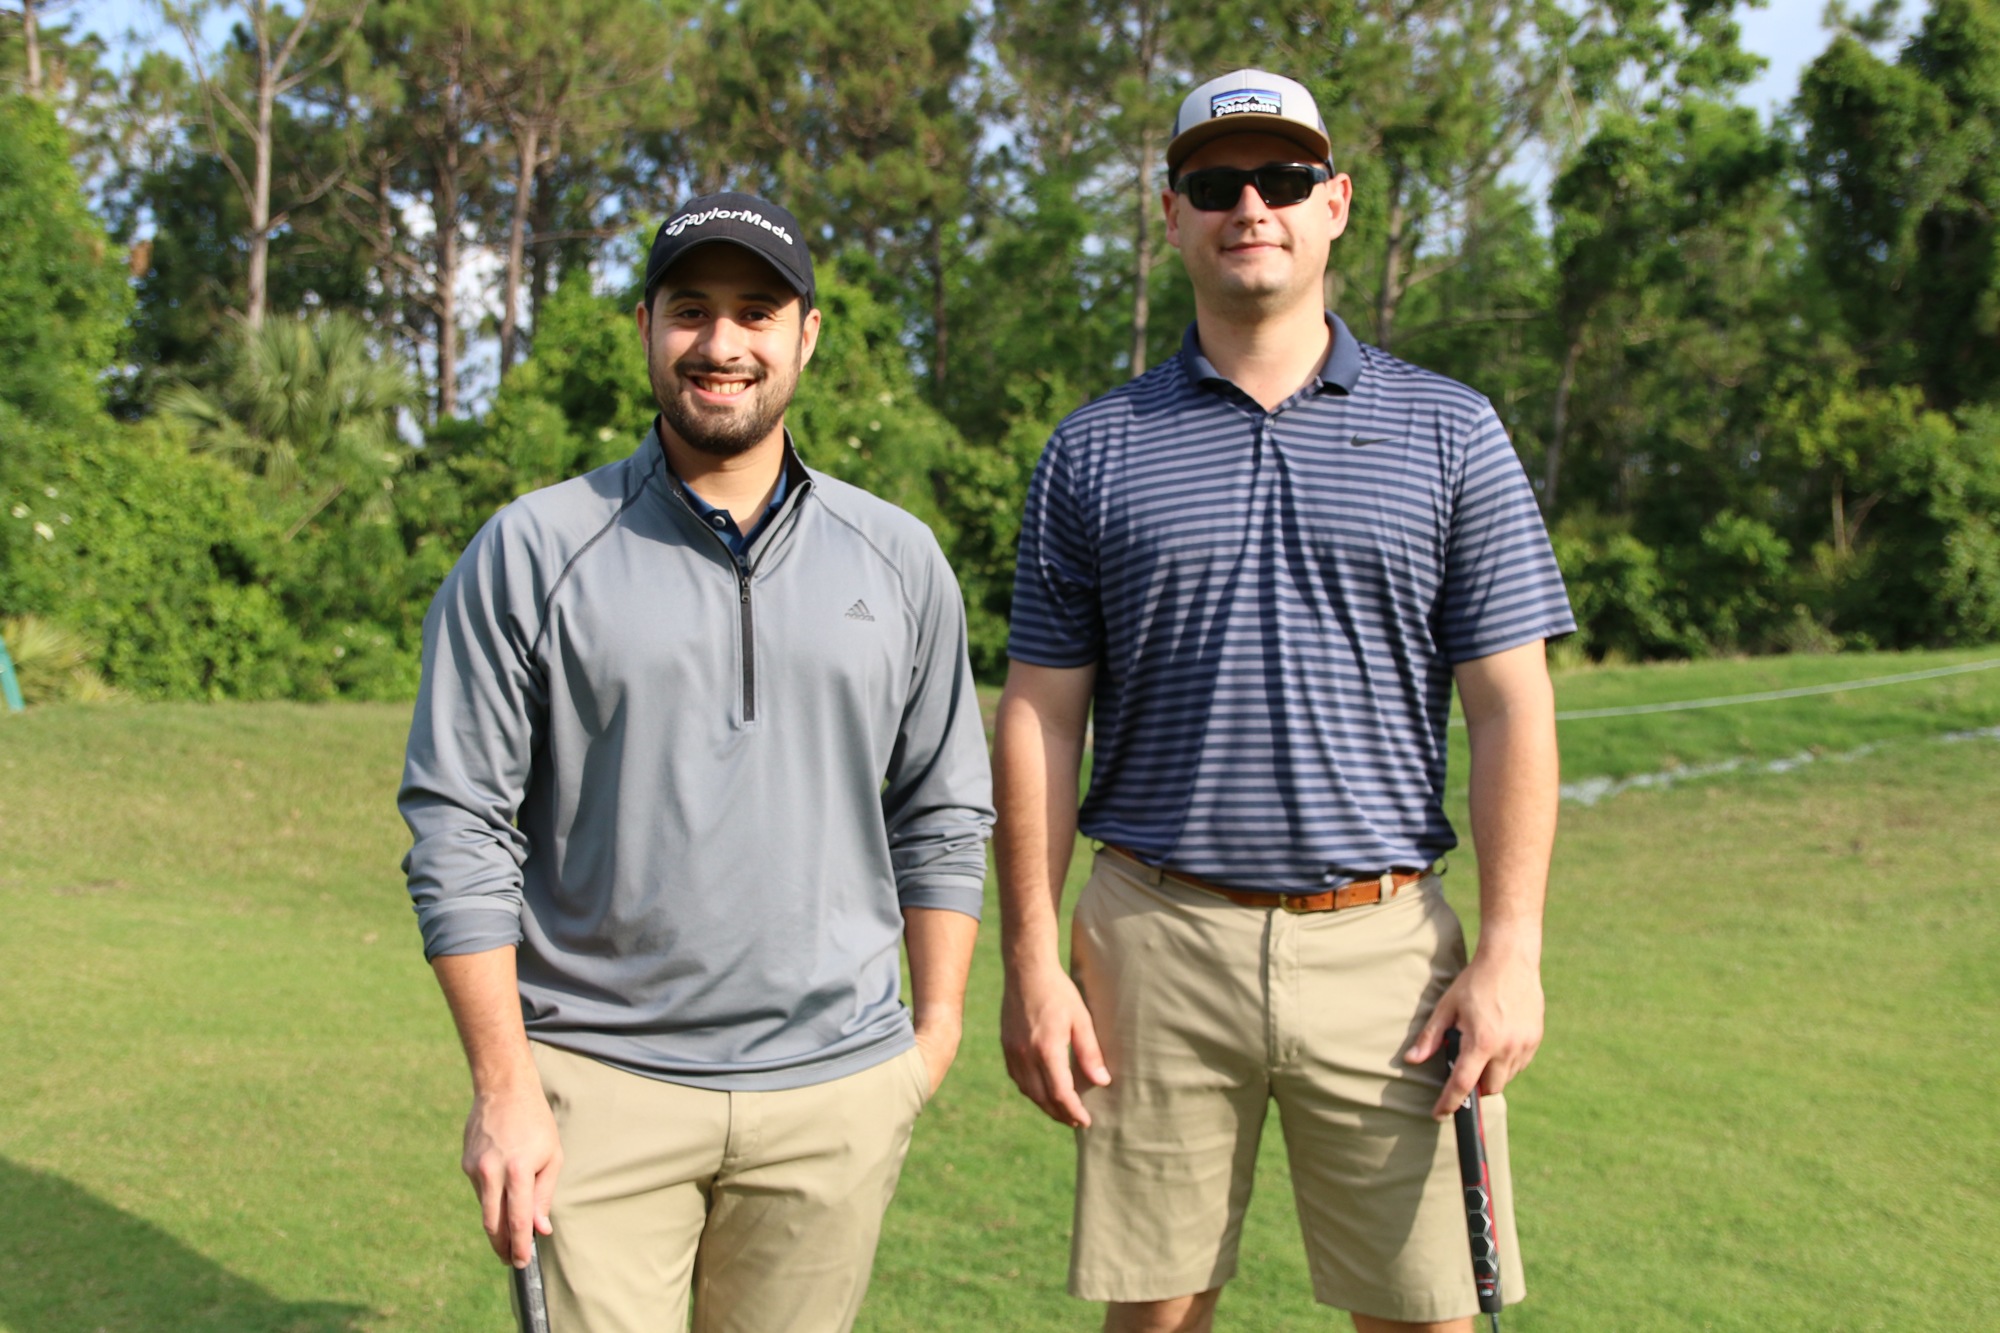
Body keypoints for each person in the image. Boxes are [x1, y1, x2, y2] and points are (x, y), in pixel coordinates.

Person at [994, 70, 1575, 1333]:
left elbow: (1510, 707)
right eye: (1215, 184)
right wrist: (1032, 959)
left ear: (1335, 205)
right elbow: (1038, 712)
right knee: (1153, 1315)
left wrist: (1512, 950)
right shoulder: (1093, 447)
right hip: (1153, 937)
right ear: (1170, 216)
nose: (1249, 204)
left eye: (1282, 179)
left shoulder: (1451, 430)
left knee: (1426, 1314)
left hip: (1387, 949)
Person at [399, 191, 993, 1333]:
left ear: (806, 333)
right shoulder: (532, 547)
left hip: (835, 1093)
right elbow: (458, 824)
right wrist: (504, 1086)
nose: (721, 345)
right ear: (645, 328)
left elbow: (941, 808)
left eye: (755, 312)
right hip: (597, 1088)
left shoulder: (900, 557)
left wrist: (935, 1033)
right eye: (690, 310)